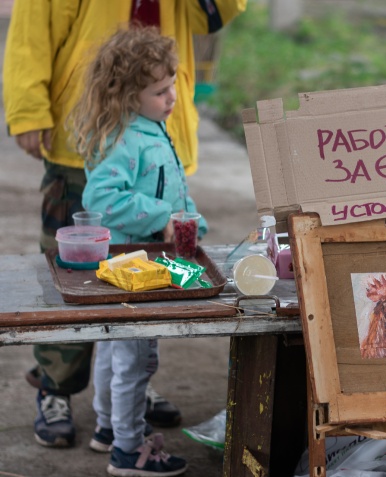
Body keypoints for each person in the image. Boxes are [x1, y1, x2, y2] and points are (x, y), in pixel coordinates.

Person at [2, 0, 246, 448]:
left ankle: (123, 400)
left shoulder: (161, 106)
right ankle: (57, 387)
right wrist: (27, 108)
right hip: (83, 135)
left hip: (155, 133)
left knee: (133, 313)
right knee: (73, 278)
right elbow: (30, 32)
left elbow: (214, 15)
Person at [68, 26, 209, 476]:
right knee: (136, 359)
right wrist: (161, 218)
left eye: (172, 87)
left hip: (141, 260)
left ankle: (110, 428)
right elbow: (102, 200)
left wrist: (189, 221)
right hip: (134, 266)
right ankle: (129, 451)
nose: (171, 98)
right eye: (160, 91)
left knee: (115, 349)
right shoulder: (128, 140)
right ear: (128, 96)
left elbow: (166, 191)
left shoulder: (149, 128)